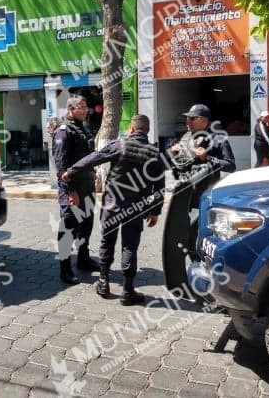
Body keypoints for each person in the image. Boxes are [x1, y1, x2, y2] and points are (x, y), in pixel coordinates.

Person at [62, 115, 165, 305]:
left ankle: (103, 283)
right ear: (147, 131)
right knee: (130, 246)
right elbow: (159, 187)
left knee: (107, 241)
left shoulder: (120, 144)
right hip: (136, 206)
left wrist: (71, 171)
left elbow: (94, 158)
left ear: (132, 130)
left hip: (112, 203)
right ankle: (127, 291)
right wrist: (155, 211)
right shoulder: (154, 153)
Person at [163, 104, 236, 291]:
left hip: (206, 199)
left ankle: (207, 278)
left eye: (192, 118)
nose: (187, 121)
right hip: (185, 198)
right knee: (185, 238)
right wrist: (175, 156)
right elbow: (180, 169)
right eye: (187, 118)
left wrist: (207, 158)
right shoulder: (187, 139)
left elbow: (230, 165)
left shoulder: (218, 139)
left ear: (204, 120)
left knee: (200, 239)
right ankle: (195, 275)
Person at [52, 96, 98, 284]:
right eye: (81, 107)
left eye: (85, 106)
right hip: (73, 189)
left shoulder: (82, 127)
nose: (85, 109)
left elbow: (87, 156)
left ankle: (83, 259)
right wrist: (70, 190)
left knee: (86, 224)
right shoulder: (63, 131)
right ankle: (65, 269)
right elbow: (61, 166)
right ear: (70, 109)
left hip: (87, 186)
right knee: (68, 228)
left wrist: (92, 173)